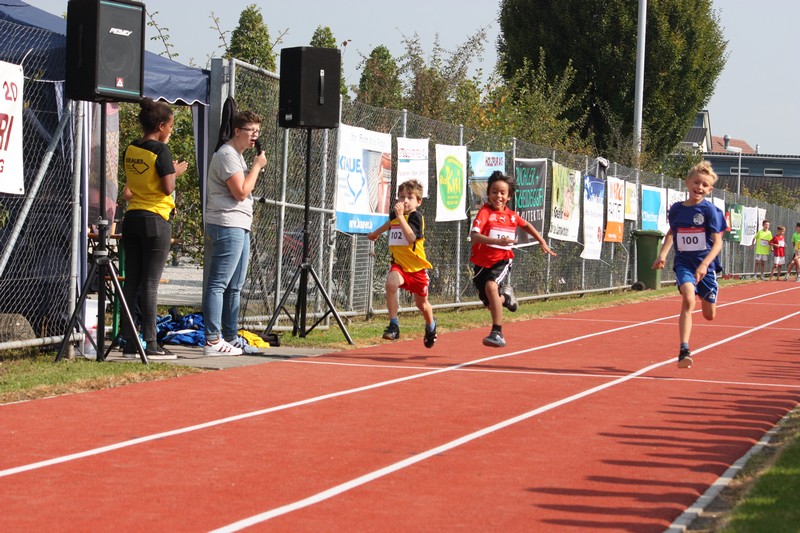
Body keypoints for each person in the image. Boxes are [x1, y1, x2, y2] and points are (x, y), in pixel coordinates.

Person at [120, 98, 188, 360]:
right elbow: (167, 188)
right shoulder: (161, 150)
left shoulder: (131, 148)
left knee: (132, 282)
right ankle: (151, 343)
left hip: (132, 217)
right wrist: (174, 171)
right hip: (156, 217)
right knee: (149, 284)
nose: (171, 130)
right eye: (170, 126)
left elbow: (139, 179)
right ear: (161, 126)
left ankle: (129, 341)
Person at [202, 111, 266, 356]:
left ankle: (230, 337)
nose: (255, 136)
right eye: (251, 131)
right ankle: (212, 340)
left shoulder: (237, 156)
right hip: (226, 223)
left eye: (257, 131)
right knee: (218, 283)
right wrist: (257, 167)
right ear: (237, 131)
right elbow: (240, 192)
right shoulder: (227, 154)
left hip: (240, 223)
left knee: (235, 285)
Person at [469, 171, 556, 347]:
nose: (498, 196)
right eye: (494, 192)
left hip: (501, 260)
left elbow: (527, 225)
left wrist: (541, 241)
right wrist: (497, 241)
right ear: (488, 194)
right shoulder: (485, 212)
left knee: (491, 286)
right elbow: (474, 236)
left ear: (508, 197)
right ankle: (506, 298)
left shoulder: (512, 216)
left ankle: (497, 333)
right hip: (481, 263)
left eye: (502, 193)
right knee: (492, 303)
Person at [652, 161, 726, 369]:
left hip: (705, 266)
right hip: (684, 263)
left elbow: (718, 243)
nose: (699, 187)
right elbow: (672, 232)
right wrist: (662, 255)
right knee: (688, 299)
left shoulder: (710, 211)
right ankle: (684, 349)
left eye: (704, 185)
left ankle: (706, 292)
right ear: (687, 183)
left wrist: (704, 265)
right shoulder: (676, 209)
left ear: (710, 190)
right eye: (696, 182)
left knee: (709, 315)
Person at [367, 179, 437, 348]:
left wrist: (400, 217)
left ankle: (431, 325)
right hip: (399, 266)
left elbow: (411, 237)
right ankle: (394, 325)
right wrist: (376, 233)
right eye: (401, 197)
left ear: (418, 202)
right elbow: (389, 224)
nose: (404, 200)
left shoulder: (416, 217)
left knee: (421, 304)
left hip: (417, 269)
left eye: (409, 197)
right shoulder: (395, 216)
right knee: (391, 283)